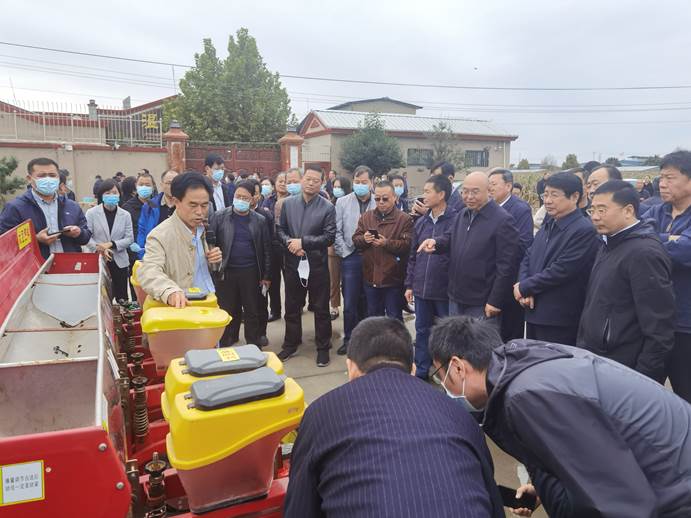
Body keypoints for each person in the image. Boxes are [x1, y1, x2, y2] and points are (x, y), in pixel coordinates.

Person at [429, 316, 691, 518]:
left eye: (441, 378)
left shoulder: (527, 397)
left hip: (677, 488)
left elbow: (622, 501)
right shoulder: (525, 364)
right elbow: (586, 452)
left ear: (458, 367)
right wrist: (543, 485)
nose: (445, 389)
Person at [285, 317, 504, 518]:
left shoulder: (321, 414)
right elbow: (493, 503)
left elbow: (299, 508)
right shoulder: (459, 416)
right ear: (413, 369)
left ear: (350, 367)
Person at [577, 180, 675, 383]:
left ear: (628, 210)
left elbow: (659, 326)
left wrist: (643, 377)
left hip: (625, 367)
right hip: (598, 358)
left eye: (602, 210)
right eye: (592, 210)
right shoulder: (608, 243)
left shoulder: (643, 253)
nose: (595, 216)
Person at [418, 171, 521, 329]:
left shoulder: (502, 220)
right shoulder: (463, 215)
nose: (469, 197)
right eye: (465, 191)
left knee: (477, 343)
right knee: (455, 340)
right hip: (456, 297)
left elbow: (507, 266)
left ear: (488, 191)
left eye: (475, 192)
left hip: (481, 301)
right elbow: (450, 238)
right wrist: (436, 243)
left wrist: (495, 300)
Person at [515, 172, 599, 345]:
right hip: (533, 310)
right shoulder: (549, 223)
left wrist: (526, 286)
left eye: (554, 195)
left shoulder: (584, 230)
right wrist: (523, 285)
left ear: (574, 197)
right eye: (545, 195)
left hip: (559, 318)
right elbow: (529, 255)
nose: (547, 201)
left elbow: (563, 269)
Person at [277, 165, 336, 367]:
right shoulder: (288, 204)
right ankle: (291, 343)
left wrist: (303, 242)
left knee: (321, 309)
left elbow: (329, 237)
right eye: (308, 179)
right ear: (302, 180)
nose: (311, 183)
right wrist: (290, 244)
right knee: (292, 307)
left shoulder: (327, 207)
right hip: (293, 263)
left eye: (315, 180)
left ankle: (323, 347)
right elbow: (280, 230)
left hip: (317, 265)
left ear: (322, 183)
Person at [644, 150, 691, 402]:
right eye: (661, 177)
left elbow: (685, 251)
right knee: (646, 394)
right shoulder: (656, 212)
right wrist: (670, 239)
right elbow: (634, 237)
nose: (662, 183)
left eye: (670, 178)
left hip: (685, 323)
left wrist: (654, 240)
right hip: (653, 321)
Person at [138, 172, 222, 308]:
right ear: (176, 202)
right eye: (193, 205)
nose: (200, 212)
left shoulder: (204, 229)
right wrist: (169, 291)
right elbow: (149, 271)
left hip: (208, 302)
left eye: (204, 205)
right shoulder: (159, 235)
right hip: (181, 308)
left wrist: (214, 261)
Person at [405, 175, 455, 380]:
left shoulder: (455, 220)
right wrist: (409, 284)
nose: (423, 196)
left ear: (441, 194)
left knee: (446, 333)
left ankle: (447, 374)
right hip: (421, 288)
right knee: (422, 330)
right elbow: (412, 256)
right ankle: (421, 370)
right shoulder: (421, 222)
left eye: (427, 191)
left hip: (444, 289)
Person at [210, 180, 271, 347]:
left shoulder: (260, 220)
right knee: (228, 309)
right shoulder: (220, 217)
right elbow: (211, 244)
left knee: (252, 309)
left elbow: (266, 249)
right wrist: (214, 270)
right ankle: (228, 339)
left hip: (251, 271)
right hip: (227, 271)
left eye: (245, 198)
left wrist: (266, 275)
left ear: (252, 199)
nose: (241, 200)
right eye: (238, 196)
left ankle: (253, 343)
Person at [0, 157, 91, 259]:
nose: (48, 180)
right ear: (29, 178)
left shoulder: (71, 206)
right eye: (42, 176)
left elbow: (86, 237)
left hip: (69, 264)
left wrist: (79, 233)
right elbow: (5, 243)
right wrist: (36, 239)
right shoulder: (15, 207)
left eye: (52, 175)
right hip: (36, 266)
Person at [352, 181, 413, 321]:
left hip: (393, 279)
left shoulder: (404, 219)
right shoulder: (366, 217)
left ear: (394, 198)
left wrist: (386, 243)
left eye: (385, 199)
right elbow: (355, 239)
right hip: (371, 277)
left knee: (394, 318)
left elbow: (407, 246)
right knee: (374, 319)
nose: (381, 202)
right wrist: (364, 239)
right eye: (377, 199)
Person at [334, 166, 376, 355]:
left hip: (373, 257)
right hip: (350, 256)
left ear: (372, 182)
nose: (360, 185)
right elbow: (336, 230)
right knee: (350, 302)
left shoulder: (379, 201)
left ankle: (367, 340)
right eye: (357, 182)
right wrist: (344, 252)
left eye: (364, 182)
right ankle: (349, 339)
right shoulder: (342, 202)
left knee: (369, 301)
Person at [487, 168, 534, 340]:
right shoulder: (487, 208)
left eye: (493, 184)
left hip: (509, 278)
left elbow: (524, 244)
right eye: (488, 184)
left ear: (508, 186)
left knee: (509, 332)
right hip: (489, 279)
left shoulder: (520, 209)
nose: (490, 188)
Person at [86, 179, 134, 301]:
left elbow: (129, 238)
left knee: (122, 297)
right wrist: (100, 248)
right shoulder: (91, 213)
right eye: (107, 193)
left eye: (114, 192)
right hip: (99, 258)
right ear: (101, 195)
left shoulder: (125, 215)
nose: (111, 195)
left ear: (119, 195)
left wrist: (111, 244)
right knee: (101, 296)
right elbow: (87, 237)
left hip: (120, 260)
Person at [327, 176, 351, 321]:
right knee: (333, 280)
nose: (336, 190)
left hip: (350, 248)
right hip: (333, 248)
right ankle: (334, 306)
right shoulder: (330, 204)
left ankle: (349, 305)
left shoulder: (351, 204)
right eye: (335, 187)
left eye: (339, 187)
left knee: (348, 281)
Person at [122, 172, 159, 261]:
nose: (144, 187)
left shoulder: (157, 206)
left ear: (153, 187)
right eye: (141, 184)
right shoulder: (127, 207)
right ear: (136, 186)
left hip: (155, 253)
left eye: (147, 185)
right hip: (134, 255)